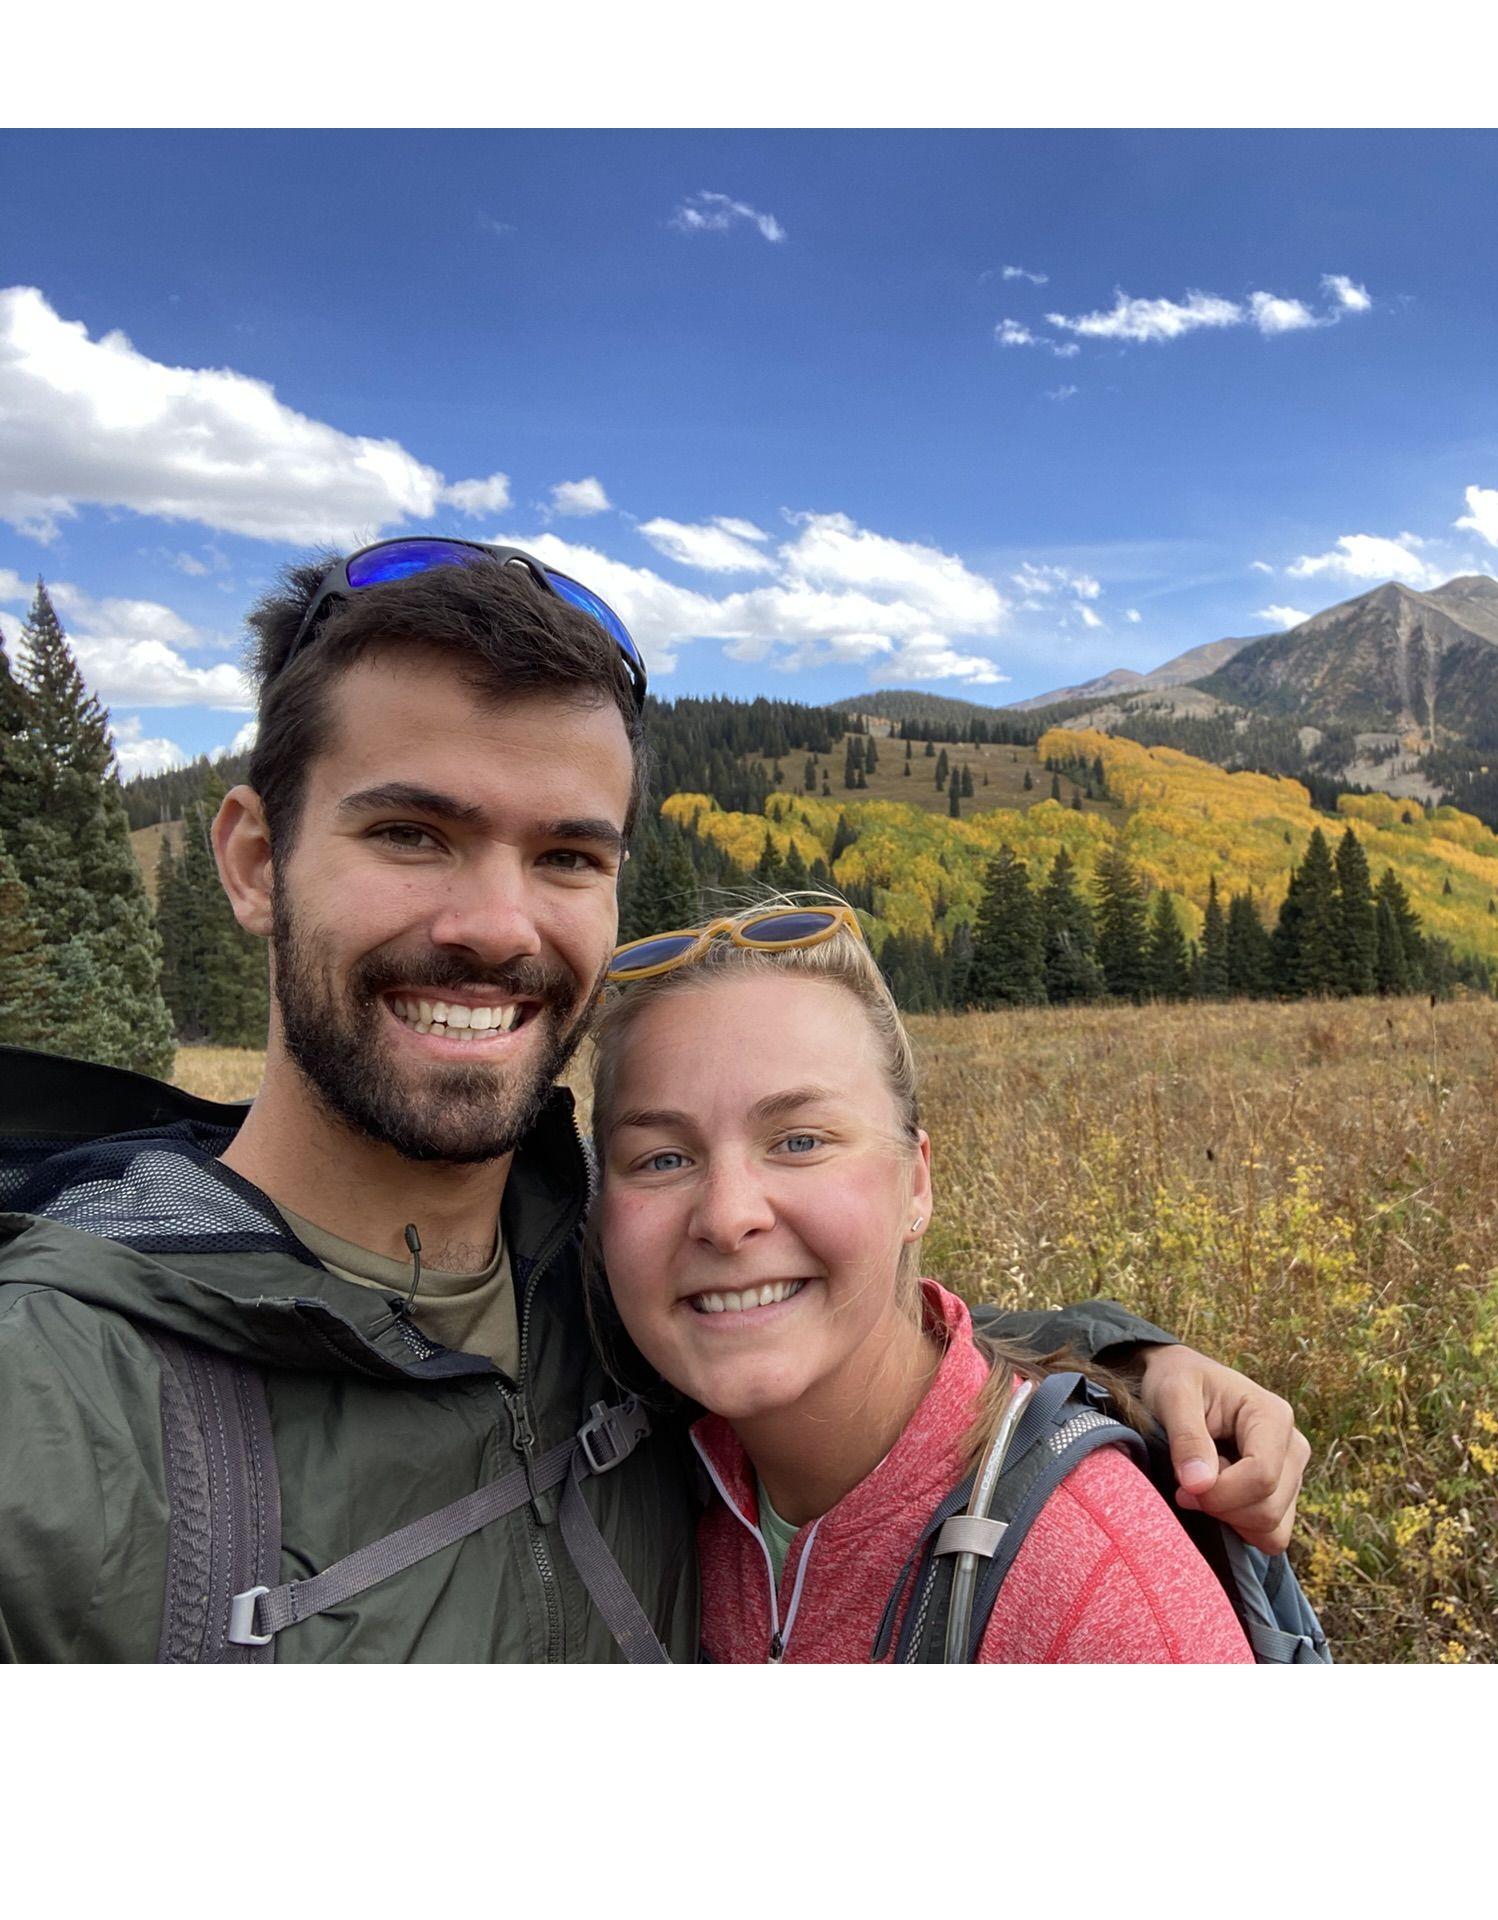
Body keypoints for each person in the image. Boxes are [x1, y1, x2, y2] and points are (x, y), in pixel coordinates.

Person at [0, 537, 1308, 1662]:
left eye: (566, 854)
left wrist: (1122, 1363)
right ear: (250, 859)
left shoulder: (608, 1286)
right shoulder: (57, 1407)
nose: (495, 924)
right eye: (412, 834)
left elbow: (825, 1319)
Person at [593, 897, 1257, 1662]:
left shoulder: (1098, 1598)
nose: (727, 1215)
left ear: (916, 1185)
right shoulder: (647, 1476)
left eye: (800, 1140)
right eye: (663, 1159)